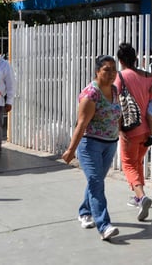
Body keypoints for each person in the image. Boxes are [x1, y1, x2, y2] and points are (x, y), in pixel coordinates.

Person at [62, 55, 121, 241]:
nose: (111, 74)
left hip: (110, 143)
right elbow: (81, 124)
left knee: (95, 182)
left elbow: (116, 115)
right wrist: (71, 150)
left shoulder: (114, 90)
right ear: (97, 71)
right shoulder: (90, 94)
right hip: (90, 145)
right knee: (97, 183)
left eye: (114, 69)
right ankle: (104, 225)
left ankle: (84, 211)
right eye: (106, 69)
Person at [114, 43, 152, 221]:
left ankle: (142, 196)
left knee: (128, 165)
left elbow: (115, 103)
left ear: (120, 60)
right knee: (138, 163)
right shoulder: (148, 76)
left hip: (130, 129)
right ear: (135, 57)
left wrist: (118, 128)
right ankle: (137, 197)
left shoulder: (120, 77)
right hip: (147, 130)